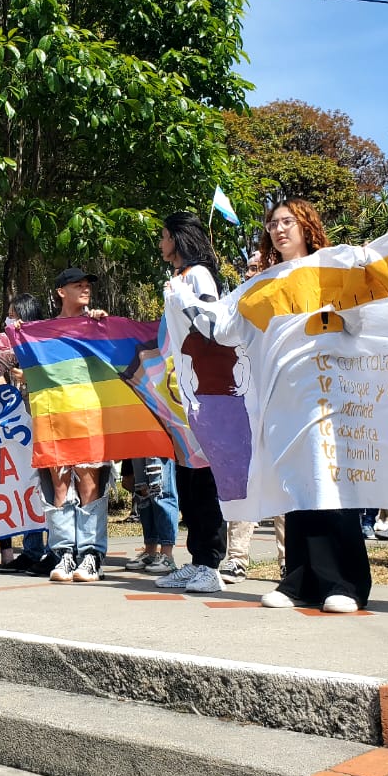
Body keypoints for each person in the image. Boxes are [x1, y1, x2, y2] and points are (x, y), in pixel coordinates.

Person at [256, 199, 372, 613]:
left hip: (326, 390)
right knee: (298, 485)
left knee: (328, 482)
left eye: (288, 221)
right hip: (285, 396)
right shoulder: (266, 281)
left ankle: (344, 582)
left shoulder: (331, 268)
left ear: (307, 226)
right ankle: (300, 579)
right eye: (273, 224)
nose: (279, 229)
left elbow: (358, 320)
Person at [152, 212, 228, 594]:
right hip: (177, 389)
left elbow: (210, 322)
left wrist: (180, 296)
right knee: (186, 476)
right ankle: (196, 559)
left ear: (178, 239)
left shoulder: (197, 276)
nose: (161, 243)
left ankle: (212, 564)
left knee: (203, 478)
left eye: (164, 236)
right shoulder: (178, 278)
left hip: (199, 387)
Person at [43, 267, 115, 584]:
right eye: (78, 285)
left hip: (89, 413)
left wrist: (102, 326)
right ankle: (64, 553)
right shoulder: (43, 331)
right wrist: (17, 330)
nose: (85, 289)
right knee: (59, 482)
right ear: (61, 292)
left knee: (88, 481)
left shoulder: (95, 324)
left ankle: (90, 554)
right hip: (55, 415)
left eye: (88, 285)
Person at [0, 292, 48, 574]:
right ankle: (32, 550)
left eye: (13, 314)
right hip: (21, 428)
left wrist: (30, 376)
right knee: (28, 485)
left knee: (50, 488)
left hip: (46, 422)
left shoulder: (46, 342)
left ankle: (56, 549)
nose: (8, 319)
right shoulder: (6, 347)